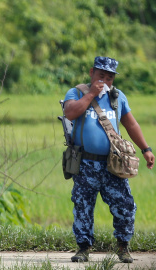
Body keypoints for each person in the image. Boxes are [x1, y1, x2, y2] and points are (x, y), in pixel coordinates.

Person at [63, 56, 155, 263]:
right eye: (101, 75)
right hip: (85, 163)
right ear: (91, 73)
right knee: (83, 205)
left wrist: (146, 149)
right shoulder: (76, 93)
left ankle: (123, 247)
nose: (105, 80)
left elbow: (131, 125)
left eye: (110, 77)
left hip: (113, 164)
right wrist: (92, 94)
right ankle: (83, 248)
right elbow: (70, 113)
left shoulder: (117, 97)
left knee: (125, 205)